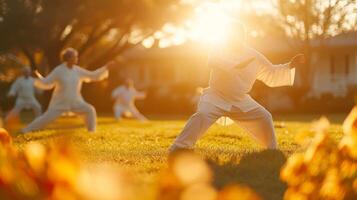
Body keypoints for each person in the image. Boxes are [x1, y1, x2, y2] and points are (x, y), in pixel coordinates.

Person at [169, 22, 305, 152]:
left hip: (240, 100)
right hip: (215, 96)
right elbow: (212, 61)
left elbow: (271, 71)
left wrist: (290, 65)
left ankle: (272, 149)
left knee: (265, 117)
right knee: (202, 115)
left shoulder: (253, 55)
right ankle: (179, 147)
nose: (235, 37)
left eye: (239, 34)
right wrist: (233, 66)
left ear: (243, 36)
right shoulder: (218, 48)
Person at [22, 48, 116, 133]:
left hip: (76, 101)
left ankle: (91, 132)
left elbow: (92, 75)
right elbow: (47, 82)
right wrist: (38, 76)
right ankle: (26, 130)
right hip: (60, 102)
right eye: (75, 57)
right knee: (46, 118)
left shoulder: (77, 70)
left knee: (90, 110)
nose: (76, 58)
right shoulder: (59, 70)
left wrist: (105, 67)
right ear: (68, 58)